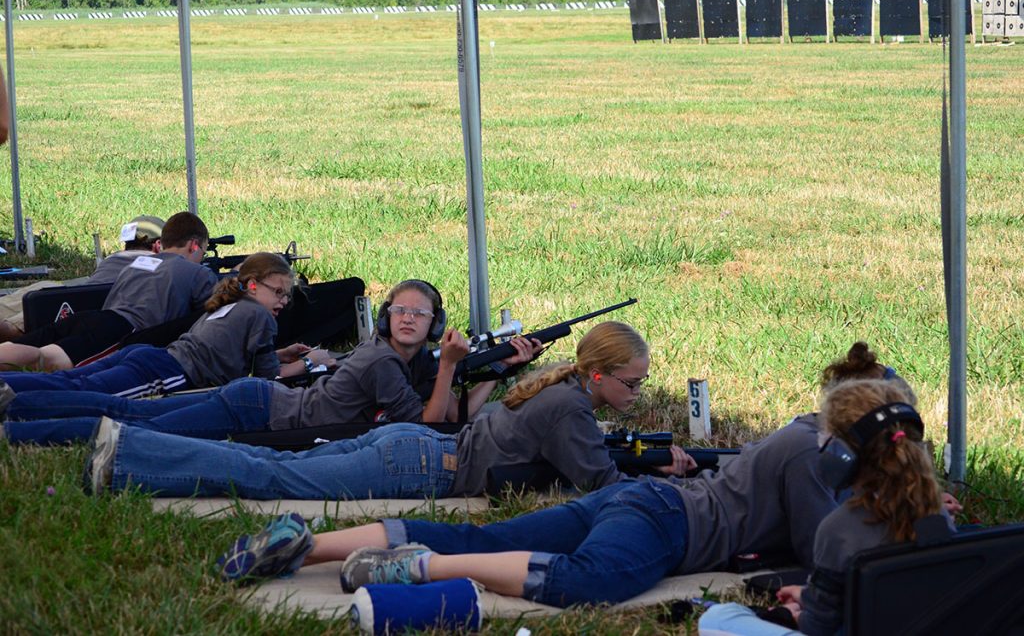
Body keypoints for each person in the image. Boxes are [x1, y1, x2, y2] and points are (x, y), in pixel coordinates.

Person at [205, 342, 924, 607]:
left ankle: (309, 543)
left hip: (645, 501)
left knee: (481, 534)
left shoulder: (803, 438)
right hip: (665, 523)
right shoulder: (810, 459)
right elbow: (818, 549)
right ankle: (418, 571)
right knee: (589, 583)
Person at [80, 321, 693, 500]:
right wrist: (665, 473)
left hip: (411, 449)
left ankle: (131, 451)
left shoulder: (553, 390)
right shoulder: (569, 408)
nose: (637, 391)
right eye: (633, 382)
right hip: (423, 468)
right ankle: (131, 457)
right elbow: (600, 483)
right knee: (274, 477)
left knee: (270, 464)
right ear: (596, 374)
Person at [0, 279, 520, 445]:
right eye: (400, 310)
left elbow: (452, 416)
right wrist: (453, 366)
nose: (408, 319)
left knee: (131, 419)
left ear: (435, 323)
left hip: (259, 404)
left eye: (420, 313)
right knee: (130, 421)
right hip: (253, 407)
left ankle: (14, 400)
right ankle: (15, 418)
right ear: (385, 318)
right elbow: (426, 428)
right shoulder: (384, 360)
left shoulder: (410, 363)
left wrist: (495, 373)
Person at [697, 378, 956, 636]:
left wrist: (794, 614)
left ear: (844, 454)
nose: (820, 442)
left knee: (719, 618)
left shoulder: (839, 528)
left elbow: (817, 626)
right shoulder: (937, 514)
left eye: (825, 435)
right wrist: (810, 597)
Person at [0, 253, 338, 445]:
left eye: (287, 295)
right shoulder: (261, 318)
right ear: (253, 285)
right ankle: (15, 415)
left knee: (73, 383)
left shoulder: (233, 305)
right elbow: (269, 378)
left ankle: (11, 394)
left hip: (152, 357)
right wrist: (311, 364)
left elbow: (226, 350)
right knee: (95, 402)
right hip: (167, 374)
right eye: (278, 292)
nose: (283, 301)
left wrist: (281, 354)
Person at [0, 212, 217, 372]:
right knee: (48, 359)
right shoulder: (197, 272)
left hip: (92, 318)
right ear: (193, 245)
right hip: (121, 331)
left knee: (19, 346)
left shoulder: (137, 263)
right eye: (203, 251)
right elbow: (211, 317)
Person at [0, 216, 165, 343]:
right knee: (14, 330)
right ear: (158, 245)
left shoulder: (113, 259)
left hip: (60, 291)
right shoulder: (159, 265)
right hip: (81, 307)